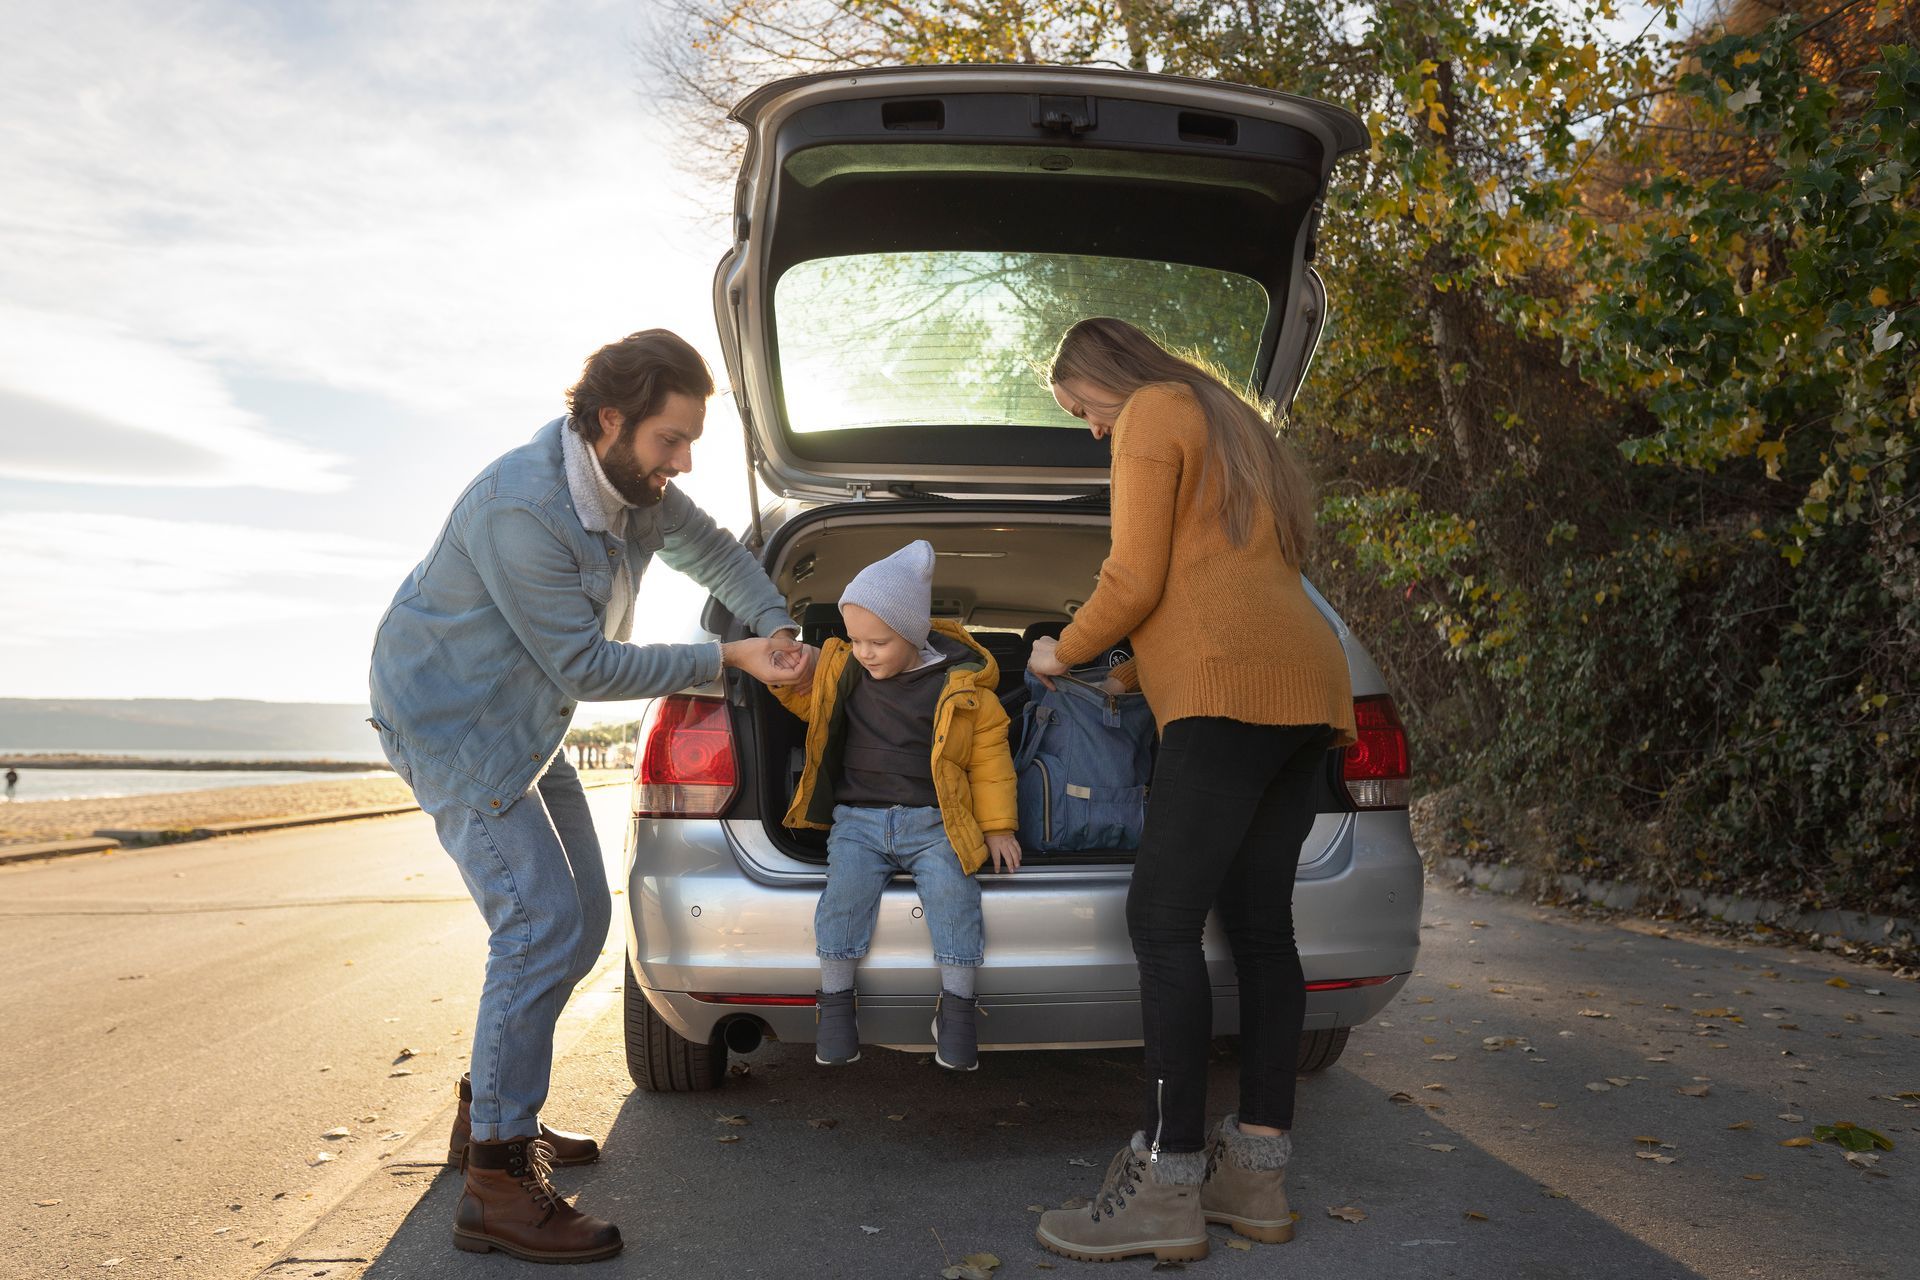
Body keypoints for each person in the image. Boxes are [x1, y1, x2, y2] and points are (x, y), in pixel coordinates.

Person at [367, 329, 814, 1265]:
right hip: (454, 726)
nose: (683, 461)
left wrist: (776, 627)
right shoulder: (520, 508)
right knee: (536, 927)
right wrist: (728, 657)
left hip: (525, 718)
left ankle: (488, 1112)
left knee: (580, 922)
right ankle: (495, 1180)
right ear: (611, 421)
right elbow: (586, 663)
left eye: (692, 440)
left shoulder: (633, 487)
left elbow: (721, 555)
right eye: (670, 440)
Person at [1027, 318, 1356, 1265]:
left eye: (1080, 408)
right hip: (1304, 692)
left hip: (1227, 701)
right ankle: (1254, 1175)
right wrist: (1131, 679)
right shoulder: (1234, 423)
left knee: (1163, 927)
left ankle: (1167, 1188)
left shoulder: (1151, 411)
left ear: (1103, 377)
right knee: (1261, 931)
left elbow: (1134, 578)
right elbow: (1222, 588)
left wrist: (1065, 650)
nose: (1091, 429)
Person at [771, 540, 1020, 1072]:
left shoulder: (964, 688)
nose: (864, 651)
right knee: (842, 901)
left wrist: (998, 827)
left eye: (877, 641)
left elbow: (990, 763)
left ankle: (956, 1009)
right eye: (856, 639)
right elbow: (805, 701)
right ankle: (836, 1006)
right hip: (857, 824)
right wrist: (782, 674)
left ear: (912, 633)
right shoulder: (847, 673)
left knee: (957, 900)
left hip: (936, 825)